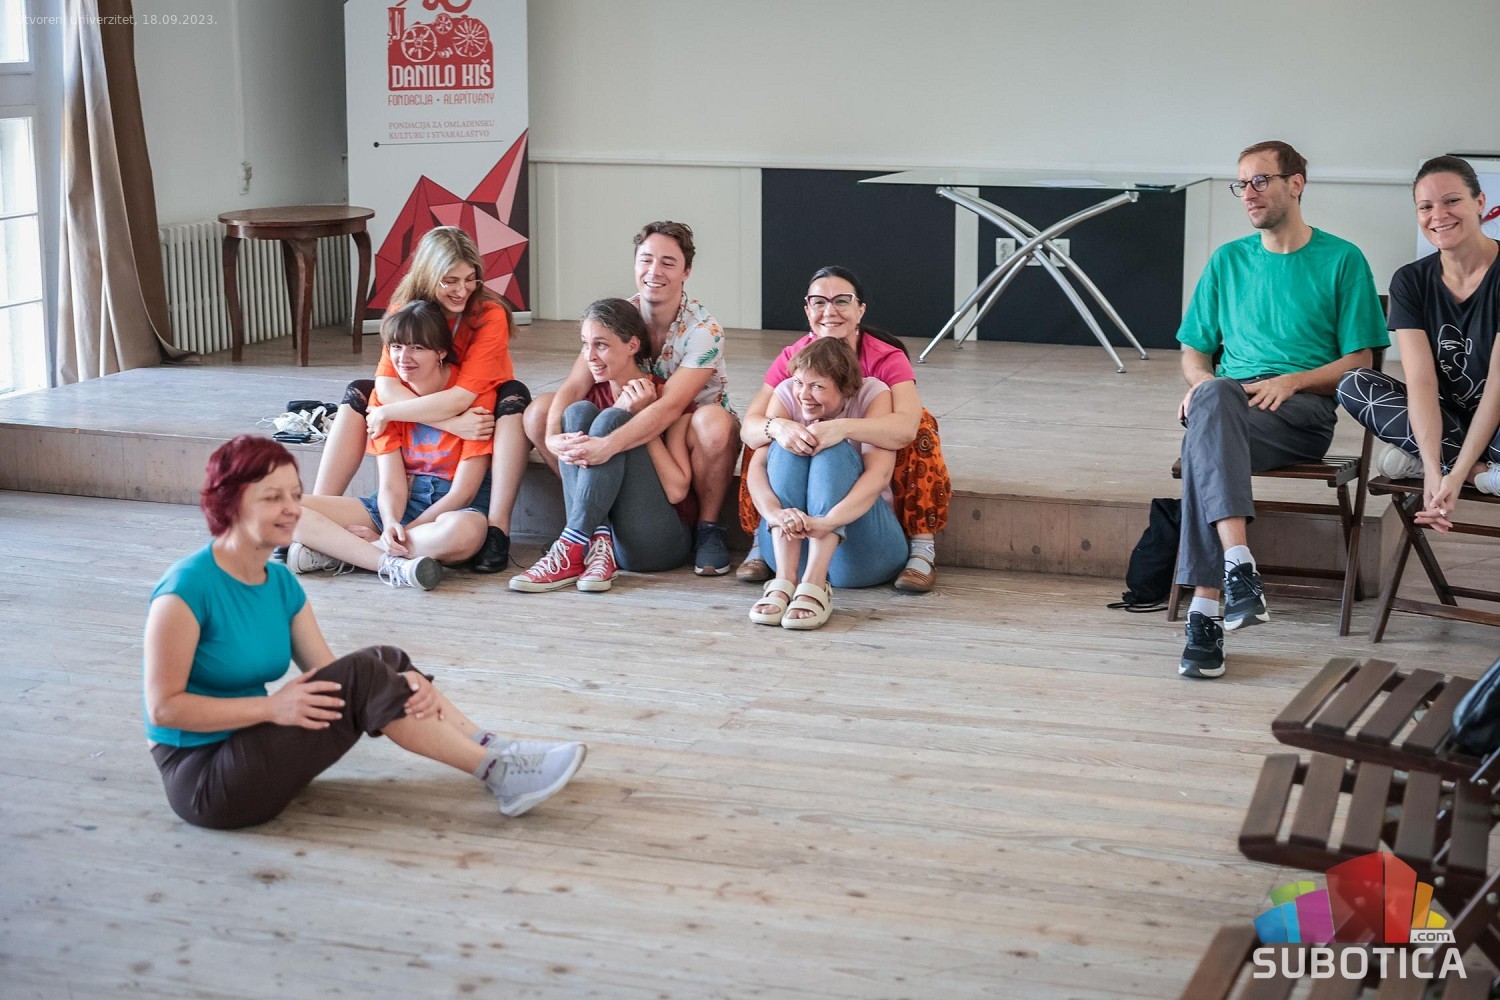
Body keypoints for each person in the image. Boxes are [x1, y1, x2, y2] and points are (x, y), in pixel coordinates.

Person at [143, 434, 586, 829]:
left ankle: (498, 749)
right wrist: (272, 708)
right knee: (368, 674)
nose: (291, 509)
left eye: (295, 495)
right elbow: (164, 709)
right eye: (272, 497)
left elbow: (330, 673)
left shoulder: (277, 583)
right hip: (204, 778)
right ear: (230, 502)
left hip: (252, 743)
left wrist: (400, 685)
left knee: (384, 661)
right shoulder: (187, 589)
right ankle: (501, 773)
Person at [1174, 140, 1388, 680]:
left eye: (1260, 180)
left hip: (1301, 415)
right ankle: (1233, 574)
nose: (1248, 193)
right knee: (1214, 400)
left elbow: (1361, 361)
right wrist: (1204, 385)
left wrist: (1291, 382)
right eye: (1241, 183)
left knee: (1204, 436)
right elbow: (1195, 352)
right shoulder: (1227, 261)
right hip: (1231, 406)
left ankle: (1208, 607)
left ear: (1295, 184)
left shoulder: (1342, 259)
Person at [521, 221, 740, 576]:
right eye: (646, 260)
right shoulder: (619, 314)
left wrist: (607, 443)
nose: (654, 271)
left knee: (710, 424)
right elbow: (573, 385)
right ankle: (589, 522)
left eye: (668, 262)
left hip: (685, 420)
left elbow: (668, 407)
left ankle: (709, 528)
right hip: (630, 407)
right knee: (543, 413)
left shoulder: (704, 331)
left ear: (686, 272)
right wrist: (551, 437)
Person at [312, 227, 530, 575]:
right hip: (440, 411)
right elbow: (385, 386)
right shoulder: (404, 311)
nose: (462, 290)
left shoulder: (489, 314)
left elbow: (462, 398)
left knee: (512, 397)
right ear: (428, 276)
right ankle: (325, 513)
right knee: (358, 393)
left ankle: (497, 529)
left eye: (470, 279)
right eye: (450, 281)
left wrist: (395, 414)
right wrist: (445, 423)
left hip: (476, 404)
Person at [738, 266, 952, 593]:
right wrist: (779, 427)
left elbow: (906, 427)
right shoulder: (793, 359)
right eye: (819, 302)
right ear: (807, 310)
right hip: (799, 483)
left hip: (862, 473)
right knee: (767, 432)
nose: (829, 311)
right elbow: (750, 426)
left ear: (860, 310)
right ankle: (763, 538)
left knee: (922, 423)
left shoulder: (884, 358)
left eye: (841, 301)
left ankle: (922, 543)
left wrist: (841, 428)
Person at [1336, 154, 1500, 531]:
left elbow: (1496, 386)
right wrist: (1432, 471)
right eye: (1426, 207)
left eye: (1452, 200)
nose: (1438, 215)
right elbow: (1422, 383)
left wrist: (1457, 475)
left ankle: (1468, 468)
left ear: (1479, 202)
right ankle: (1477, 472)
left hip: (1498, 419)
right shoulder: (1410, 281)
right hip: (1449, 417)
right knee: (1353, 383)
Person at [286, 301, 493, 591]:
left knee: (467, 531)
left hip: (450, 511)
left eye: (417, 348)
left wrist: (398, 534)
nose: (404, 358)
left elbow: (463, 493)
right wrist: (391, 521)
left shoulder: (472, 395)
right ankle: (390, 562)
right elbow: (391, 485)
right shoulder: (386, 400)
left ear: (441, 352)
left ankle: (350, 552)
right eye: (396, 347)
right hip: (397, 504)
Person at [510, 298, 694, 592]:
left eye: (601, 345)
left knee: (612, 419)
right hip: (602, 547)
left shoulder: (664, 397)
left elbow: (677, 490)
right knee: (577, 412)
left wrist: (638, 420)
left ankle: (570, 544)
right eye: (585, 344)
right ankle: (592, 546)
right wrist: (552, 435)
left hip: (657, 544)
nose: (590, 356)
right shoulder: (590, 397)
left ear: (632, 345)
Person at [745, 338, 906, 630]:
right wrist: (774, 514)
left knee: (830, 444)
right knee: (786, 441)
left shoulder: (873, 393)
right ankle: (784, 581)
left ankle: (815, 583)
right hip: (790, 545)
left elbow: (878, 476)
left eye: (817, 386)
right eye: (799, 383)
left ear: (846, 388)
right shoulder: (787, 393)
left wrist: (829, 522)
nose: (803, 395)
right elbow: (757, 467)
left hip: (861, 555)